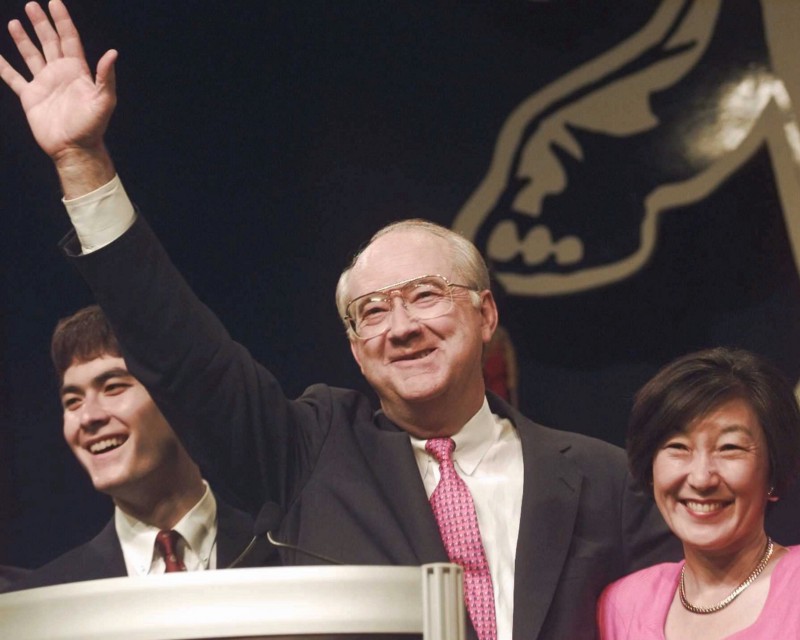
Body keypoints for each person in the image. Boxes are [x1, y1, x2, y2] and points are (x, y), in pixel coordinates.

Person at [0, 3, 678, 637]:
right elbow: (177, 348)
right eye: (371, 313)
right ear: (356, 350)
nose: (401, 325)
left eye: (425, 295)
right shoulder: (308, 454)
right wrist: (82, 164)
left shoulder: (605, 483)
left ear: (486, 312)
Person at [9, 306, 272, 591]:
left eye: (113, 387)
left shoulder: (287, 554)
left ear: (179, 397)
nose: (88, 417)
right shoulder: (43, 600)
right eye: (73, 401)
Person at [597, 346, 800, 639]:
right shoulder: (622, 605)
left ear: (773, 469)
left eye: (730, 448)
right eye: (678, 447)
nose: (702, 478)